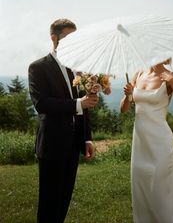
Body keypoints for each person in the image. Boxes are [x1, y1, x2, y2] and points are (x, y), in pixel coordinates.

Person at [28, 18, 98, 223]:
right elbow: (42, 104)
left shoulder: (74, 69)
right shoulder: (38, 67)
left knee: (64, 201)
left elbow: (83, 108)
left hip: (73, 144)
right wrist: (79, 104)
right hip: (52, 145)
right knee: (49, 204)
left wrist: (87, 138)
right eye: (68, 38)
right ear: (54, 38)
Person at [120, 58, 173, 223]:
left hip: (160, 143)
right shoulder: (138, 73)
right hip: (140, 145)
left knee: (161, 195)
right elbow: (123, 109)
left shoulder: (171, 77)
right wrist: (127, 96)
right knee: (141, 192)